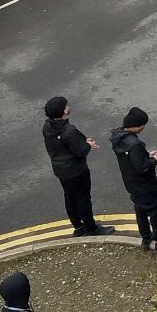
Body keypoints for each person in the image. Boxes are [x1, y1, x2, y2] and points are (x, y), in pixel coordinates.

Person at [42, 96, 112, 238]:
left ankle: (78, 226)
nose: (68, 107)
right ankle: (91, 227)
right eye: (66, 105)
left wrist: (80, 142)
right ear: (63, 111)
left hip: (60, 169)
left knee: (69, 196)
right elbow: (80, 151)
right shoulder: (69, 130)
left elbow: (64, 144)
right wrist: (87, 144)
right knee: (83, 198)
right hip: (76, 170)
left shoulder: (47, 127)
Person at [110, 108, 157, 252]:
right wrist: (154, 160)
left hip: (132, 184)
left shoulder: (118, 138)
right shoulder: (134, 144)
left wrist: (146, 155)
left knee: (140, 211)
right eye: (142, 125)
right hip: (145, 186)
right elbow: (141, 168)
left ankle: (146, 238)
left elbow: (132, 161)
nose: (143, 128)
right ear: (136, 125)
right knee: (156, 211)